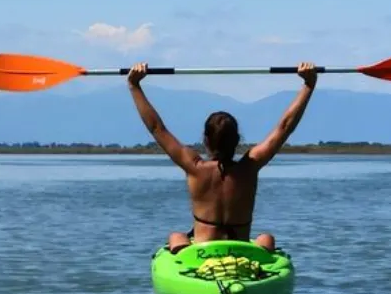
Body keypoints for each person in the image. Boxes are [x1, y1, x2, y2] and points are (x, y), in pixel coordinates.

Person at [127, 60, 319, 254]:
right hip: (240, 251)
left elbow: (156, 128)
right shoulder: (249, 167)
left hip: (203, 252)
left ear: (206, 139)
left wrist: (134, 86)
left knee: (177, 236)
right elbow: (284, 127)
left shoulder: (195, 167)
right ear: (237, 140)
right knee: (265, 239)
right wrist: (308, 85)